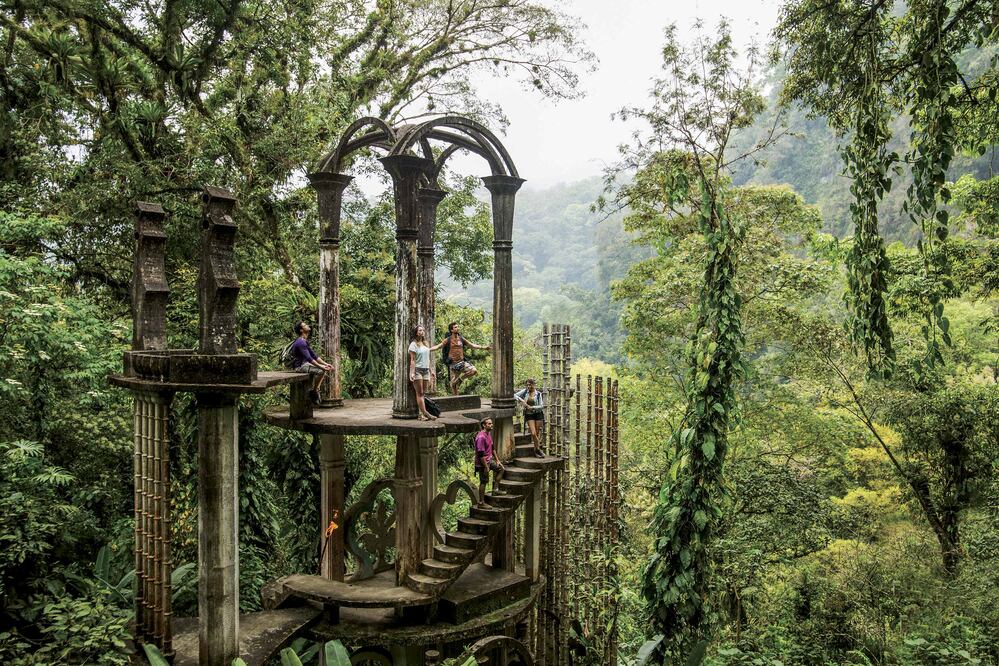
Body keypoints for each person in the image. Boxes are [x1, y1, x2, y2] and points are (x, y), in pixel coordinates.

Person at [440, 322, 490, 395]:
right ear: (451, 330)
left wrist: (484, 347)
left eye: (458, 327)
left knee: (471, 372)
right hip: (452, 364)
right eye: (455, 327)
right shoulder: (448, 340)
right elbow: (442, 351)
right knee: (454, 386)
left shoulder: (460, 338)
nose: (457, 328)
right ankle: (456, 398)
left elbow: (471, 345)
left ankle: (459, 381)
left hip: (461, 362)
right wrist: (446, 361)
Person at [290, 321, 333, 404]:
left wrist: (326, 364)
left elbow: (314, 356)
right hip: (300, 366)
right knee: (321, 371)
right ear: (301, 330)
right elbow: (309, 358)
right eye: (305, 325)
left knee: (323, 369)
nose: (307, 325)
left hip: (305, 364)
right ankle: (314, 391)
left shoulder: (304, 341)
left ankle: (315, 390)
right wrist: (321, 367)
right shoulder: (300, 342)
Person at [409, 325, 438, 421]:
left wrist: (431, 370)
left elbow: (427, 359)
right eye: (420, 330)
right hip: (417, 370)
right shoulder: (413, 344)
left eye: (423, 330)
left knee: (423, 393)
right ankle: (425, 414)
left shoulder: (425, 343)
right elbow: (412, 360)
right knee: (420, 393)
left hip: (426, 370)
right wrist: (412, 373)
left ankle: (422, 414)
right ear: (416, 333)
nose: (422, 332)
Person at [474, 417, 505, 508]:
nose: (491, 425)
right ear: (484, 425)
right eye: (489, 424)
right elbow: (480, 454)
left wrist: (497, 460)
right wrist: (486, 467)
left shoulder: (488, 434)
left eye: (491, 423)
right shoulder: (481, 437)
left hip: (489, 460)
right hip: (482, 463)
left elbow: (492, 448)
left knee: (501, 469)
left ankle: (495, 489)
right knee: (484, 481)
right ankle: (481, 503)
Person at [515, 378, 545, 458]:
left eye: (530, 385)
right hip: (529, 414)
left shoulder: (538, 394)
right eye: (527, 385)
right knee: (533, 433)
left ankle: (536, 451)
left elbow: (542, 406)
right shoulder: (525, 392)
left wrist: (532, 407)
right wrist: (522, 401)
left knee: (537, 433)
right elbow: (514, 395)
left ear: (533, 385)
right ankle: (538, 449)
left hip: (538, 414)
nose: (528, 386)